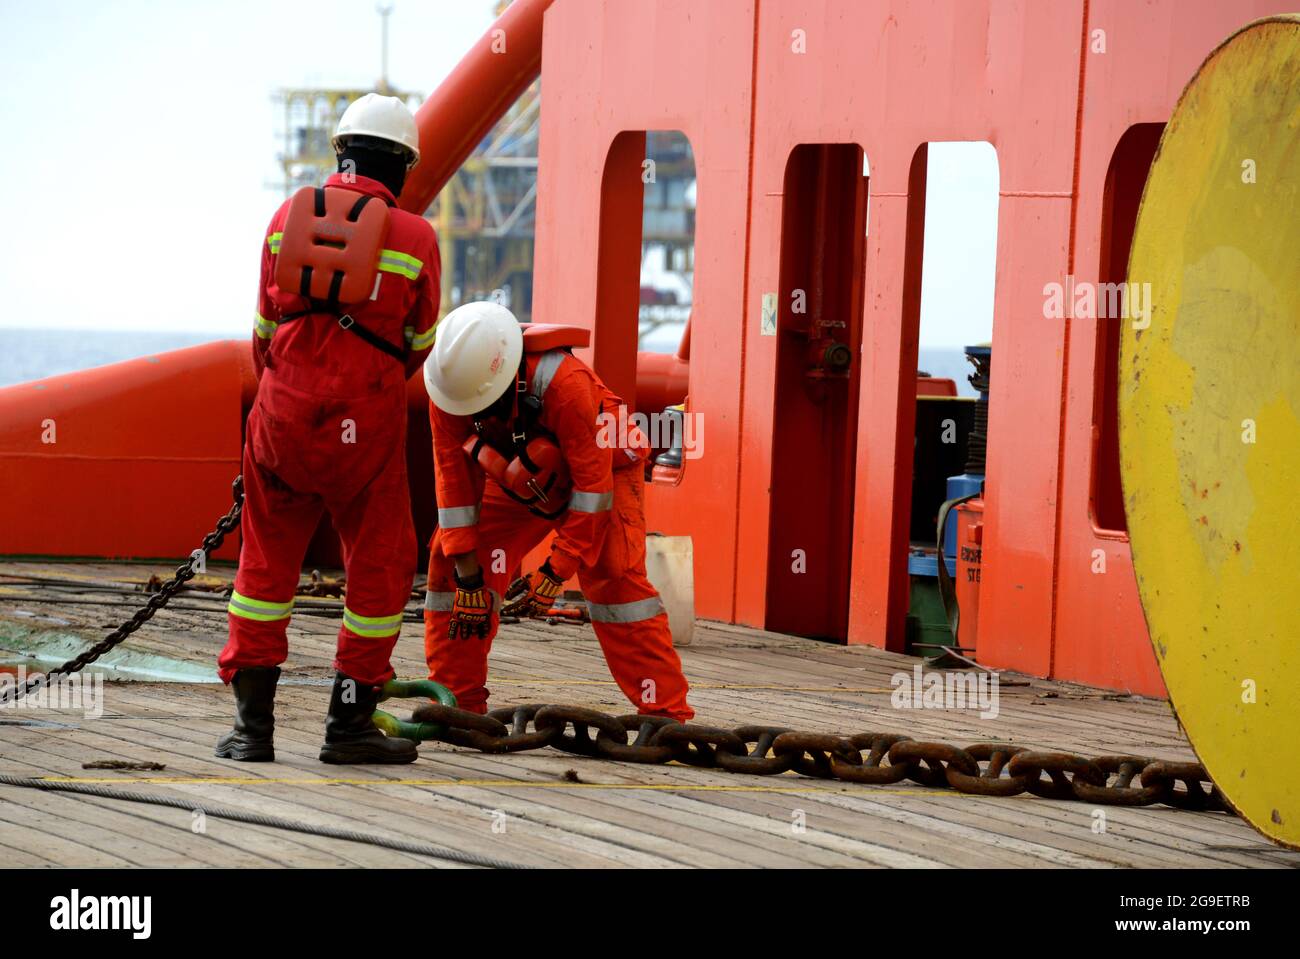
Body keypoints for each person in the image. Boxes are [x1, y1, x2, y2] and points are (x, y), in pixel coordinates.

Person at [215, 94, 439, 764]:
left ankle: (252, 732)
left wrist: (291, 391)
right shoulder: (418, 238)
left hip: (279, 419)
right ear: (401, 167)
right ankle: (348, 729)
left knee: (263, 567)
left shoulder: (285, 218)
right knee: (378, 569)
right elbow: (419, 343)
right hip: (362, 431)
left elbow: (261, 333)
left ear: (340, 153)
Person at [420, 301, 693, 721]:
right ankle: (459, 702)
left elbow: (593, 491)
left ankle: (665, 714)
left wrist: (555, 570)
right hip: (520, 475)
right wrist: (469, 573)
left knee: (614, 576)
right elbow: (453, 489)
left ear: (508, 378)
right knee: (449, 566)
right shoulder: (450, 391)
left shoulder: (567, 386)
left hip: (606, 472)